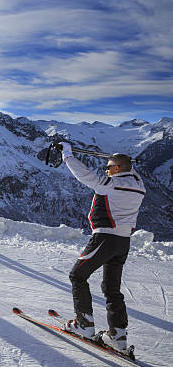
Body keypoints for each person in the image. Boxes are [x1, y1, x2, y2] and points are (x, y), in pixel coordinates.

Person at [59, 142, 145, 352]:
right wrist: (125, 163)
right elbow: (128, 169)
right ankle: (117, 335)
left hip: (105, 238)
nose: (106, 170)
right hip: (123, 242)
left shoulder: (110, 184)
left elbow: (85, 175)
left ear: (116, 169)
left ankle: (84, 325)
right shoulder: (139, 184)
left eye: (109, 166)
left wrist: (67, 156)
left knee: (77, 276)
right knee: (111, 288)